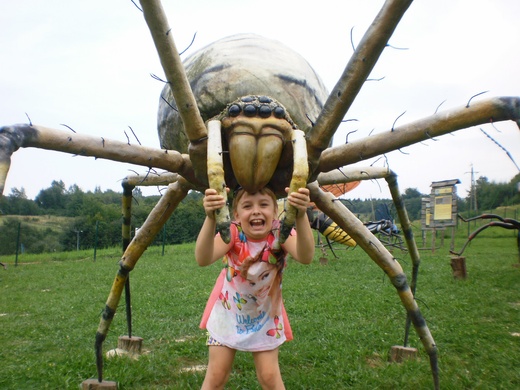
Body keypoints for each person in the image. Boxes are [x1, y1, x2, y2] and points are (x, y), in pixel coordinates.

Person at [195, 186, 314, 390]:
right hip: (228, 314)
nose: (256, 211)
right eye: (247, 206)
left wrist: (301, 216)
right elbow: (203, 258)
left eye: (264, 204)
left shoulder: (281, 233)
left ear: (275, 212)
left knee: (269, 377)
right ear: (237, 215)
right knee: (216, 376)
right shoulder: (233, 232)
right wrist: (210, 218)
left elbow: (305, 256)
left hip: (265, 317)